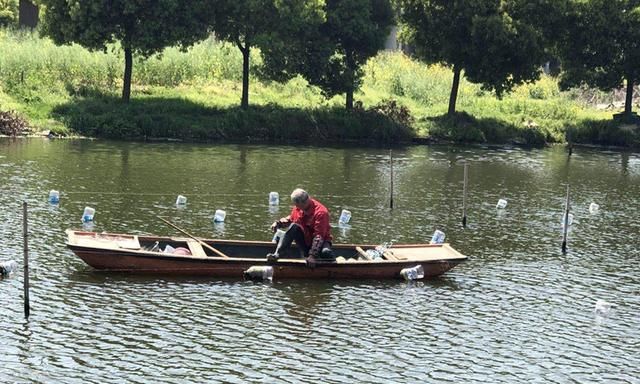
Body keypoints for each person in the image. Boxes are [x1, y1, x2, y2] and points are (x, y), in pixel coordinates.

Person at [267, 188, 334, 265]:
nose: (295, 206)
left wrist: (312, 256)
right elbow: (291, 219)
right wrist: (278, 223)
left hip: (320, 243)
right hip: (305, 241)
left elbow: (319, 236)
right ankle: (278, 254)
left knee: (326, 252)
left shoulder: (321, 212)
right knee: (294, 227)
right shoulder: (299, 208)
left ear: (303, 202)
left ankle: (335, 266)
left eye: (296, 204)